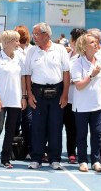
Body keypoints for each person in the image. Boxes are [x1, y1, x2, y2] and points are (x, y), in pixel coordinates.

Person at [24, 22, 70, 170]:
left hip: (57, 92)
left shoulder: (60, 49)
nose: (34, 37)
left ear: (46, 35)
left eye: (36, 34)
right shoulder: (31, 51)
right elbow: (27, 74)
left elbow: (66, 73)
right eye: (33, 34)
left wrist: (65, 94)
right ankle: (36, 158)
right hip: (37, 93)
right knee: (37, 127)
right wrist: (29, 94)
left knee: (55, 126)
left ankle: (54, 159)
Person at [0, 30, 26, 169]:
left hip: (15, 100)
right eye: (16, 41)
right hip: (0, 100)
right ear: (7, 42)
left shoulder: (20, 57)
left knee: (11, 129)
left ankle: (5, 159)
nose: (18, 43)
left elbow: (23, 78)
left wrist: (23, 97)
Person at [71, 32, 101, 172]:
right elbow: (79, 86)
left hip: (97, 104)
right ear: (84, 46)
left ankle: (95, 160)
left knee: (97, 133)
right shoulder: (77, 63)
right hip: (82, 106)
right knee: (81, 134)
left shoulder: (99, 60)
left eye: (96, 41)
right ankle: (82, 160)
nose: (96, 43)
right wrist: (92, 75)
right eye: (92, 42)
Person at [65, 28, 87, 164]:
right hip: (65, 97)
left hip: (79, 98)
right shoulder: (67, 54)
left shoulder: (84, 57)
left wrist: (73, 80)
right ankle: (70, 152)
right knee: (68, 127)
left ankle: (76, 152)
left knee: (77, 128)